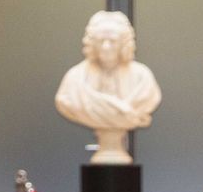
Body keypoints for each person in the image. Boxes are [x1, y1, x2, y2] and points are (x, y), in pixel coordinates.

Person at [54, 10, 162, 164]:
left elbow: (149, 99)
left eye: (113, 41)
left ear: (124, 43)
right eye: (100, 41)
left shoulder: (142, 77)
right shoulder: (75, 79)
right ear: (91, 43)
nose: (106, 47)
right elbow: (65, 101)